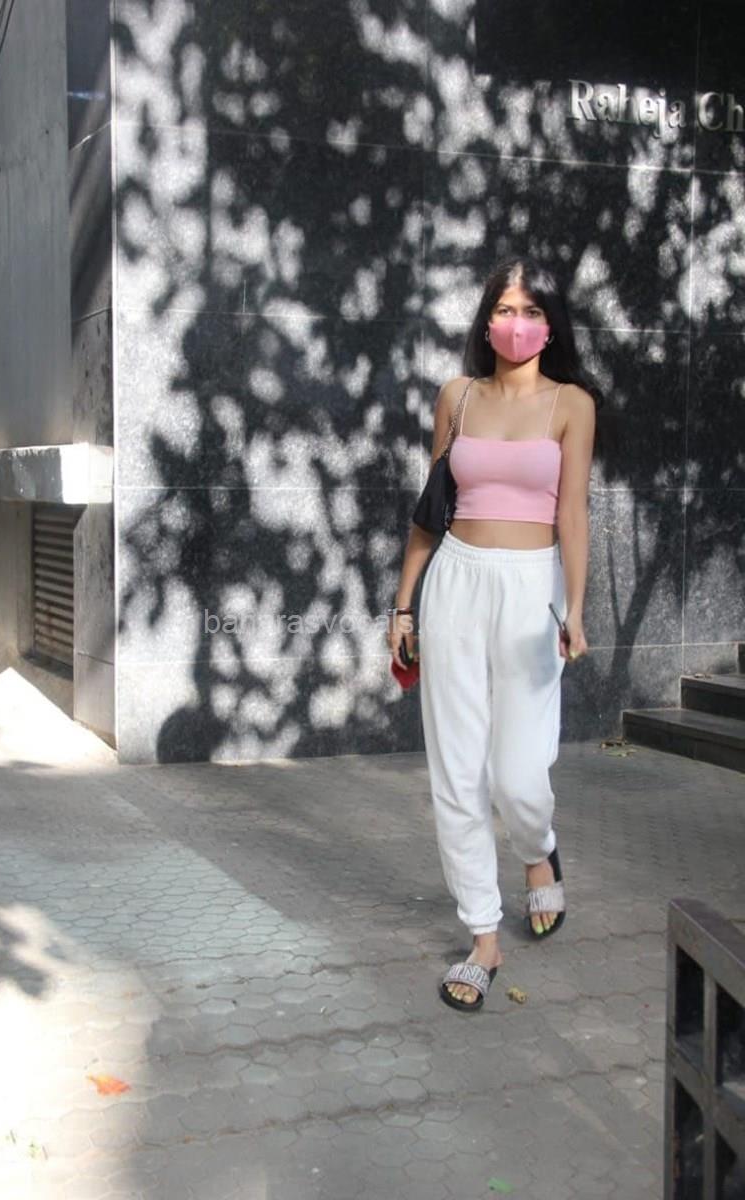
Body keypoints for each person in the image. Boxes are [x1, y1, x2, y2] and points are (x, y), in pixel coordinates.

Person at [388, 256, 601, 1012]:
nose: (517, 324)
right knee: (457, 771)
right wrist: (404, 605)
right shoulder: (458, 396)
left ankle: (538, 850)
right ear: (486, 323)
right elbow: (432, 508)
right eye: (505, 310)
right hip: (456, 580)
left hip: (532, 587)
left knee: (518, 775)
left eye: (531, 311)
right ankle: (482, 936)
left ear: (551, 324)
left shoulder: (572, 404)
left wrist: (576, 609)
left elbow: (572, 513)